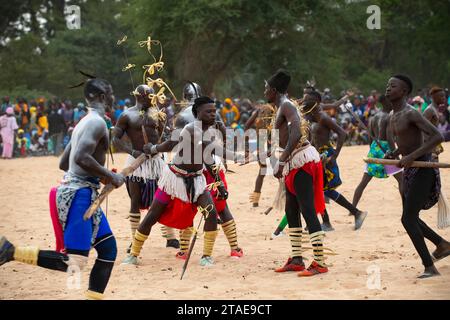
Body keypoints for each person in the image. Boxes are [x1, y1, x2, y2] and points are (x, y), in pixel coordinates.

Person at [0, 78, 125, 299]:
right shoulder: (96, 122)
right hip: (79, 195)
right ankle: (11, 251)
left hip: (80, 190)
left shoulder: (84, 122)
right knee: (74, 263)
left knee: (108, 250)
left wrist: (101, 176)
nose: (113, 98)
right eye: (111, 93)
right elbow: (81, 157)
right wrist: (110, 175)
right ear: (103, 97)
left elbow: (64, 163)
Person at [123, 96, 235, 267]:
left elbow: (209, 159)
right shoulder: (191, 129)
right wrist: (153, 148)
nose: (213, 114)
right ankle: (133, 254)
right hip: (174, 178)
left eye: (214, 111)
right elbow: (171, 144)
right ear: (198, 113)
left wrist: (218, 181)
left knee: (211, 213)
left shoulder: (209, 132)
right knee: (153, 215)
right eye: (208, 111)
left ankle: (206, 257)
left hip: (197, 179)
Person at [266, 69, 331, 276]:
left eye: (266, 88)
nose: (264, 91)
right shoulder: (280, 106)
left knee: (307, 210)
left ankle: (319, 262)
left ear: (274, 90)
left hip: (301, 161)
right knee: (291, 211)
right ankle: (296, 259)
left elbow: (296, 133)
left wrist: (282, 160)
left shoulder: (286, 105)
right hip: (293, 162)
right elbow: (284, 138)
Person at [385, 74, 450, 278]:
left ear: (404, 91)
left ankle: (430, 267)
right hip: (410, 170)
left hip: (424, 168)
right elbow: (407, 143)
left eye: (392, 86)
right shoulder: (392, 116)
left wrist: (411, 156)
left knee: (408, 218)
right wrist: (395, 153)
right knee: (411, 217)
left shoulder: (411, 113)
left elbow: (437, 136)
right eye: (387, 86)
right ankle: (442, 244)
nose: (388, 89)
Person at [112, 84, 179, 251]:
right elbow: (115, 139)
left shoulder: (159, 114)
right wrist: (132, 151)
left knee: (164, 198)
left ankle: (170, 238)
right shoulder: (127, 115)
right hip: (136, 164)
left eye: (153, 95)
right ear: (139, 96)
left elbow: (168, 135)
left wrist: (160, 145)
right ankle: (135, 239)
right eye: (149, 96)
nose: (152, 98)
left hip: (157, 161)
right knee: (135, 200)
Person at [302, 90, 368, 231]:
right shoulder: (311, 116)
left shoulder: (323, 117)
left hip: (326, 155)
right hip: (317, 156)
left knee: (323, 190)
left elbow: (342, 133)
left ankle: (351, 215)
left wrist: (335, 155)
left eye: (307, 99)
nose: (304, 101)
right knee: (321, 190)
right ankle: (326, 221)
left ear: (316, 102)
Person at [352, 95, 403, 208]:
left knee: (363, 182)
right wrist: (395, 154)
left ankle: (352, 208)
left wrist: (373, 152)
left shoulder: (373, 117)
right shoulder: (389, 116)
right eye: (391, 101)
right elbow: (389, 138)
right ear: (386, 102)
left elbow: (371, 139)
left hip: (374, 149)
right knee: (402, 179)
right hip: (387, 150)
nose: (393, 103)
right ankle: (407, 205)